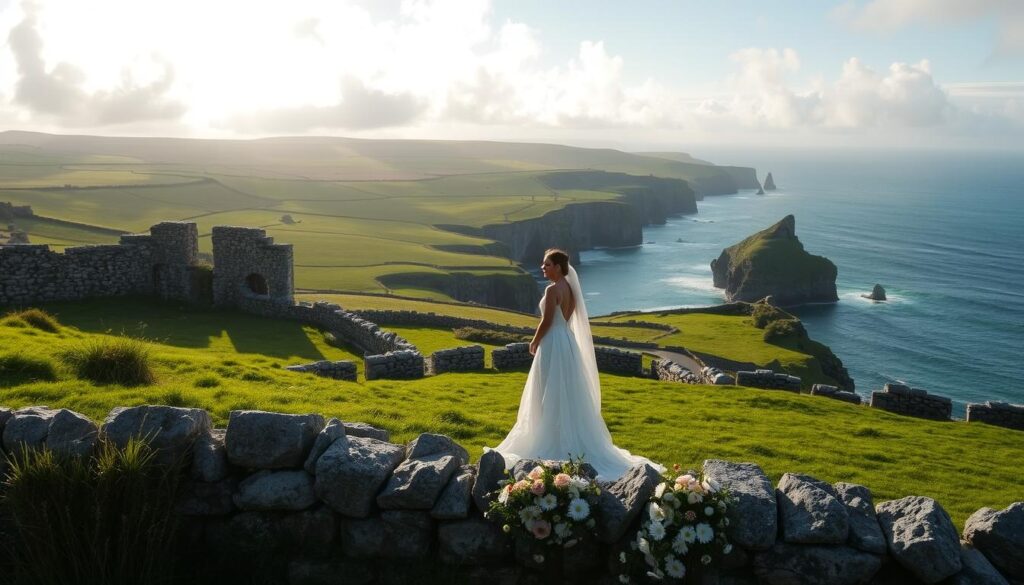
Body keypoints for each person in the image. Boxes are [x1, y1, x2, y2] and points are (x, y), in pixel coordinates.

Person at [490, 248, 659, 481]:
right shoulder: (569, 288)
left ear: (558, 267)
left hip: (552, 342)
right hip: (567, 342)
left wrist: (534, 341)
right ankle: (562, 433)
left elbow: (547, 321)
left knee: (548, 389)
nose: (543, 268)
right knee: (565, 390)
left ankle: (547, 436)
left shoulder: (552, 290)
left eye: (547, 264)